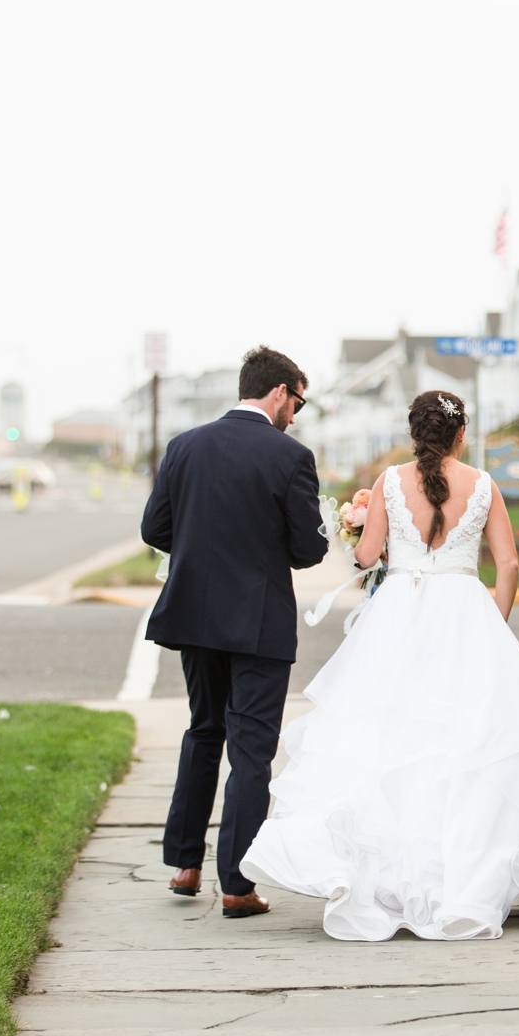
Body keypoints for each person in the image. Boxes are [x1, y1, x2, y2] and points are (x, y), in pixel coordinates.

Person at [238, 390, 519, 941]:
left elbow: (367, 558)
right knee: (471, 745)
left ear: (416, 434)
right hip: (466, 614)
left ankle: (384, 879)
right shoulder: (483, 485)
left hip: (399, 615)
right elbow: (507, 565)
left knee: (388, 741)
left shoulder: (391, 481)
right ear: (460, 434)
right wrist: (494, 623)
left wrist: (356, 520)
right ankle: (465, 875)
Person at [140, 345, 328, 919]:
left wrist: (204, 548)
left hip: (194, 616)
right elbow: (308, 549)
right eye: (297, 401)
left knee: (203, 731)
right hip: (258, 622)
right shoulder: (289, 456)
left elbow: (155, 527)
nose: (295, 414)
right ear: (278, 393)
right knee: (251, 749)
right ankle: (238, 886)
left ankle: (184, 864)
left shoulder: (184, 446)